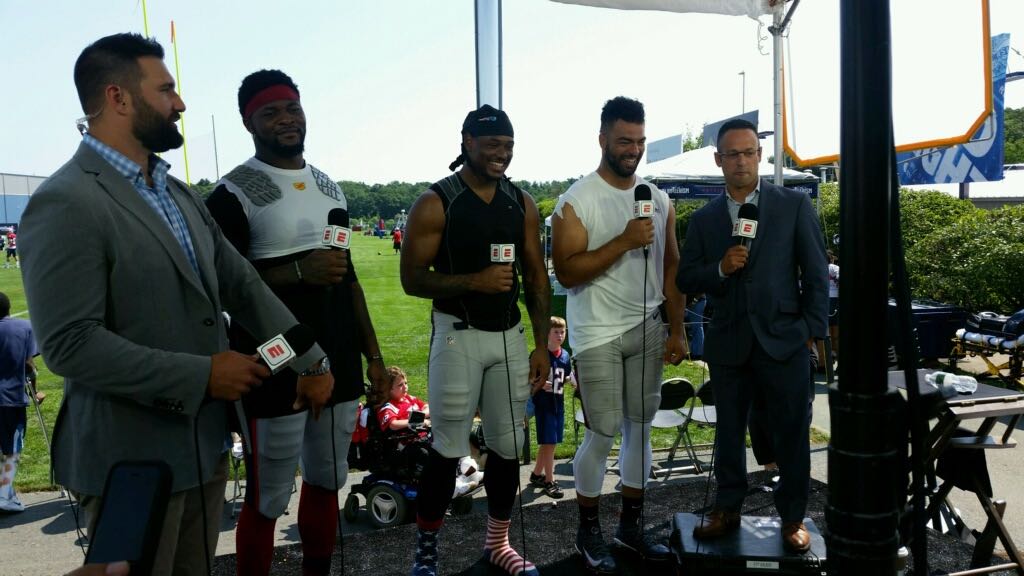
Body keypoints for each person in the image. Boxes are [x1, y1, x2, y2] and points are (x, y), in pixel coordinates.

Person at [19, 34, 333, 575]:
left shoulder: (177, 192)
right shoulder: (66, 200)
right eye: (166, 90)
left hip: (202, 448)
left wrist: (312, 359)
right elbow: (70, 345)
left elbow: (243, 288)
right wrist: (202, 376)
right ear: (118, 98)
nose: (180, 103)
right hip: (130, 461)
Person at [204, 68, 386, 576]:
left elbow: (348, 279)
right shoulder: (232, 193)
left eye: (292, 108)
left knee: (328, 480)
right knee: (268, 496)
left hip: (340, 358)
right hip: (272, 362)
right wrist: (297, 269)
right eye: (271, 112)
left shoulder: (330, 187)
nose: (286, 119)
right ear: (249, 122)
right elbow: (222, 287)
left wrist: (373, 355)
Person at [400, 104, 550, 576]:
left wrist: (542, 343)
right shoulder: (436, 200)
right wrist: (475, 281)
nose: (501, 154)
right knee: (447, 450)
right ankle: (427, 548)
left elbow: (535, 277)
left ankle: (498, 544)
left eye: (508, 145)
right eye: (491, 144)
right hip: (457, 336)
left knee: (508, 448)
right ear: (467, 141)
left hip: (508, 338)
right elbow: (411, 279)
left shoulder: (520, 201)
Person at [677, 118, 827, 553]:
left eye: (748, 153)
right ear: (718, 160)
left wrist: (811, 331)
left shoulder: (792, 205)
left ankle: (793, 517)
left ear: (760, 156)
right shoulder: (704, 220)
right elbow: (687, 277)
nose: (741, 161)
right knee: (728, 433)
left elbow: (816, 273)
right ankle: (726, 509)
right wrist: (720, 269)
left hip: (785, 340)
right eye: (732, 154)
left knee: (792, 432)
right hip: (728, 343)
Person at [551, 96, 686, 573]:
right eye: (624, 140)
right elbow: (566, 273)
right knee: (603, 431)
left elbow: (671, 267)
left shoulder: (658, 197)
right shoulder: (576, 199)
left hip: (648, 327)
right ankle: (589, 530)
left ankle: (630, 526)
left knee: (641, 426)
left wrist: (677, 327)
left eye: (640, 141)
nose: (633, 149)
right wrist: (623, 241)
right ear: (603, 139)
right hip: (597, 333)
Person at [528, 316, 575, 499]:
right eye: (556, 332)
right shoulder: (538, 355)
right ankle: (549, 480)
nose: (560, 335)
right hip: (543, 404)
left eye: (563, 332)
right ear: (546, 334)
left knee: (549, 441)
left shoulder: (564, 355)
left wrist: (572, 380)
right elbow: (527, 378)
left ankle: (536, 474)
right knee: (550, 443)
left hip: (558, 404)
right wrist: (539, 383)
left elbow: (566, 375)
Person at [0, 292, 39, 513]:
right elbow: (29, 366)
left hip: (8, 398)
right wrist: (35, 392)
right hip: (10, 398)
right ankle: (4, 496)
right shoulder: (23, 328)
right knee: (12, 449)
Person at [377, 365, 430, 435]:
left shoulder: (410, 398)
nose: (405, 387)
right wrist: (419, 420)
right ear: (389, 389)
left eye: (405, 383)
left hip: (426, 434)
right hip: (410, 440)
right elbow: (393, 425)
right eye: (400, 385)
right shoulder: (388, 406)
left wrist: (419, 417)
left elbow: (428, 407)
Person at [827, 249, 840, 368]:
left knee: (827, 329)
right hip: (835, 298)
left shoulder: (818, 267)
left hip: (824, 299)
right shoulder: (835, 268)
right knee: (835, 327)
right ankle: (835, 352)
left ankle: (829, 353)